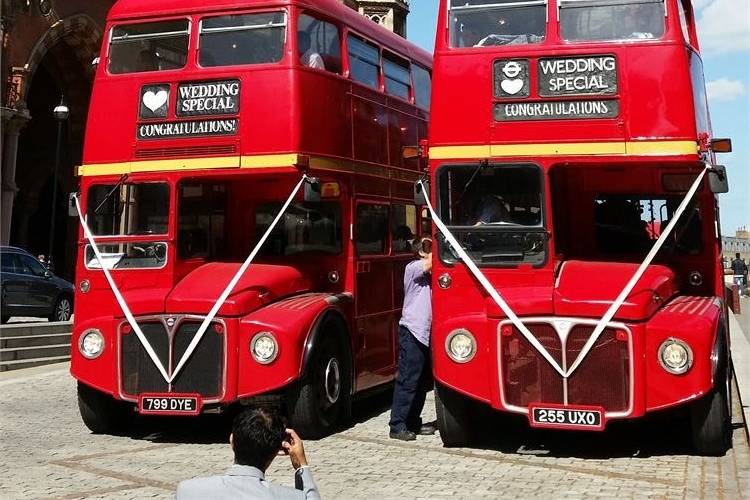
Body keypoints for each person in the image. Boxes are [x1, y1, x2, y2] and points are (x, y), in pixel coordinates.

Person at [176, 408, 321, 499]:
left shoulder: (187, 491)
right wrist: (302, 466)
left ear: (232, 440)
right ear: (276, 452)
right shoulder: (292, 497)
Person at [389, 237, 435, 441]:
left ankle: (413, 421)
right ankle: (397, 424)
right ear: (420, 252)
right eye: (427, 246)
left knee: (422, 381)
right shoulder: (413, 267)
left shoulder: (429, 272)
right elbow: (433, 261)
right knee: (408, 379)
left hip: (426, 333)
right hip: (413, 330)